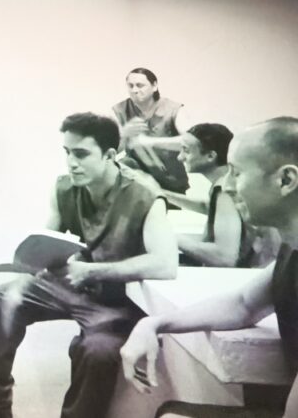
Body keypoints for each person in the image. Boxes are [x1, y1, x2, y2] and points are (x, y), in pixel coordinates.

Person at [0, 112, 178, 418]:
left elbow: (165, 263)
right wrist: (31, 262)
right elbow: (47, 239)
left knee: (97, 351)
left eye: (81, 154)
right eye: (67, 152)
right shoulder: (65, 188)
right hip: (73, 285)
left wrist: (93, 271)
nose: (71, 163)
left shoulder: (144, 195)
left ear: (109, 155)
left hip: (117, 300)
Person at [120, 116, 298, 418]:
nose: (226, 186)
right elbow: (243, 304)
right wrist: (154, 324)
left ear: (286, 180)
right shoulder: (291, 252)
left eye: (236, 173)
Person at [163, 123, 256, 267]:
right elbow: (209, 207)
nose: (180, 157)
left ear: (211, 156)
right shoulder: (228, 182)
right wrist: (161, 193)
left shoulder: (225, 190)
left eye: (186, 151)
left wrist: (166, 235)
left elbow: (224, 257)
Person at [113, 67, 190, 194]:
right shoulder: (120, 110)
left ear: (154, 86)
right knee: (123, 165)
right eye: (130, 86)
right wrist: (123, 134)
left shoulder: (173, 109)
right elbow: (109, 152)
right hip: (136, 183)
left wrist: (150, 142)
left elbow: (191, 142)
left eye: (140, 85)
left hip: (171, 182)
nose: (134, 90)